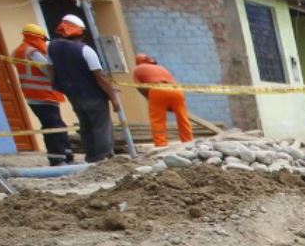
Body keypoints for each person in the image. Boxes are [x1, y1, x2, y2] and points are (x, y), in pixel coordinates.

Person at [47, 14, 120, 162]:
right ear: (80, 33)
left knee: (85, 126)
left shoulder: (52, 47)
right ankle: (103, 157)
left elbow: (50, 69)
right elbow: (100, 77)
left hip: (73, 95)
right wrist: (114, 98)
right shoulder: (85, 50)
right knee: (101, 126)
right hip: (93, 95)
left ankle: (91, 157)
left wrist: (58, 86)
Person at [11, 23, 72, 165]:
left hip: (35, 95)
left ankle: (66, 154)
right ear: (37, 38)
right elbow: (47, 70)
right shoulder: (33, 52)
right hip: (43, 95)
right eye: (43, 40)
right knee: (52, 126)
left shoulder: (19, 50)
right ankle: (57, 158)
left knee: (57, 124)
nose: (45, 43)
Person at [131, 52, 193, 148]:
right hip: (176, 90)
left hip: (157, 90)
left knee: (157, 119)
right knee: (182, 116)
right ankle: (188, 141)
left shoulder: (138, 69)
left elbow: (139, 87)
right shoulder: (161, 67)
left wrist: (150, 98)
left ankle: (161, 144)